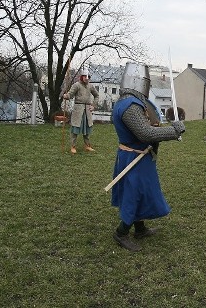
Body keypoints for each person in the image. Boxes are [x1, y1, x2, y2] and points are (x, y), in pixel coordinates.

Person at [110, 62, 185, 252]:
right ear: (139, 82)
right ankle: (121, 232)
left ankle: (140, 228)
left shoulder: (135, 102)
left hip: (140, 157)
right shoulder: (129, 106)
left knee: (142, 192)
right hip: (132, 158)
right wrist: (173, 132)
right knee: (133, 194)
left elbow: (150, 126)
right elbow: (146, 134)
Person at [62, 69, 100, 154]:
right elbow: (70, 94)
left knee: (87, 129)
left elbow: (97, 95)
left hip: (87, 110)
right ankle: (73, 146)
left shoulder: (90, 86)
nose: (86, 78)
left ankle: (87, 146)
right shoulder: (76, 85)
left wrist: (93, 105)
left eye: (88, 77)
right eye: (85, 76)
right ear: (81, 77)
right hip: (78, 110)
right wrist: (66, 96)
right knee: (75, 129)